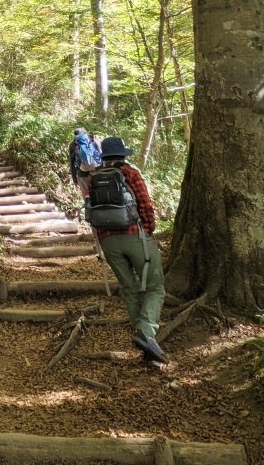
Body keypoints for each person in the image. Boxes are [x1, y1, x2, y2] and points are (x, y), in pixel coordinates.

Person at [93, 136, 167, 364]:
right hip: (134, 236)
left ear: (104, 157)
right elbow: (144, 203)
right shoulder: (130, 174)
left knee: (131, 289)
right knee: (155, 287)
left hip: (107, 240)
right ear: (123, 155)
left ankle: (146, 346)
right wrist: (149, 230)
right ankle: (146, 331)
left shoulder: (95, 177)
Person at [68, 127, 97, 197]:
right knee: (98, 193)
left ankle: (88, 206)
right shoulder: (93, 141)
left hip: (82, 174)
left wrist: (74, 180)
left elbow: (72, 163)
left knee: (87, 196)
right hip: (96, 172)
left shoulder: (73, 144)